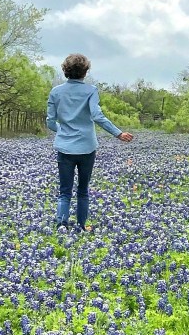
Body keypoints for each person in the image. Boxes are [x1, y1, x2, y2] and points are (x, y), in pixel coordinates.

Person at [46, 53, 133, 232]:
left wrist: (62, 132)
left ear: (65, 71)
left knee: (64, 191)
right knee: (83, 190)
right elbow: (97, 116)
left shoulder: (55, 92)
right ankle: (81, 226)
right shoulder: (91, 90)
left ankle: (61, 226)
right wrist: (118, 133)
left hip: (65, 147)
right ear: (85, 72)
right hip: (86, 147)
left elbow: (49, 121)